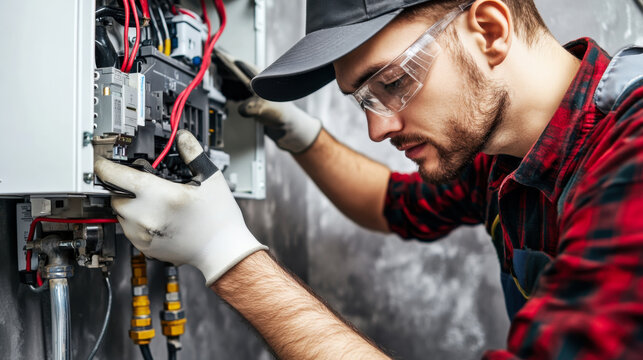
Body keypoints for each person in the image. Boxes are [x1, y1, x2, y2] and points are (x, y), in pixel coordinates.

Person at [95, 0, 643, 358]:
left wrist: (227, 256)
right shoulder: (501, 158)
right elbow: (389, 204)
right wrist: (298, 134)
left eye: (392, 81)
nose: (378, 128)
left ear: (490, 31)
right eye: (361, 100)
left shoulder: (632, 152)